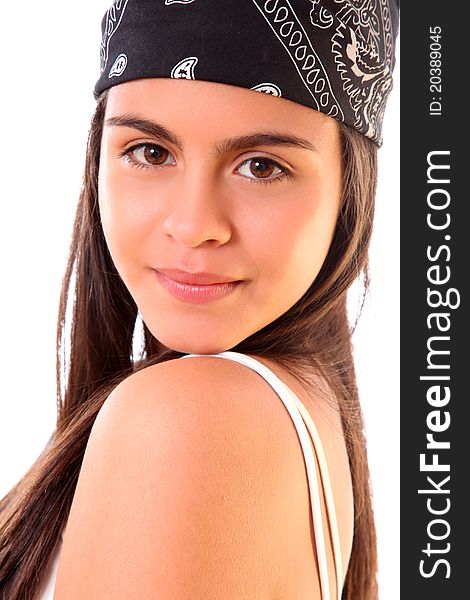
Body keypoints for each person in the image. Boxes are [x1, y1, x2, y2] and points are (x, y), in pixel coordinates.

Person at [0, 1, 399, 598]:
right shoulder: (292, 412)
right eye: (151, 153)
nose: (193, 226)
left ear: (350, 192)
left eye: (261, 166)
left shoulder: (192, 417)